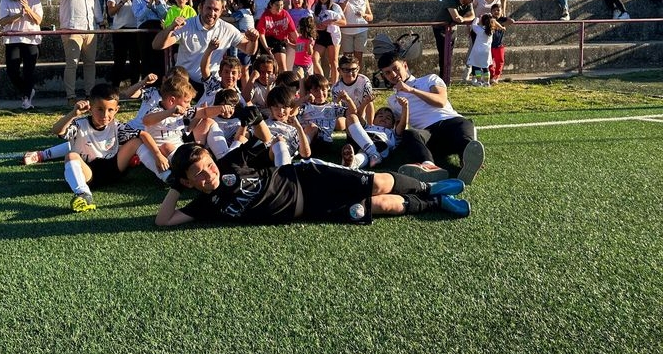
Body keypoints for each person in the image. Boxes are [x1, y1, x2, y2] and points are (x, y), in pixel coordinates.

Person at [155, 141, 472, 227]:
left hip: (307, 177)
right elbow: (164, 220)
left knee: (377, 183)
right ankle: (435, 202)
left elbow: (268, 142)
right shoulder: (204, 205)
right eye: (199, 174)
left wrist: (261, 131)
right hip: (314, 209)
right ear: (188, 181)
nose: (209, 174)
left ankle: (429, 187)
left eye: (209, 165)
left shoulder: (231, 166)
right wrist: (175, 187)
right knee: (381, 204)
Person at [377, 51, 485, 185]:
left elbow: (440, 101)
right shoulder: (393, 100)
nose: (393, 75)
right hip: (428, 134)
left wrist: (411, 90)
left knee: (463, 126)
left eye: (395, 69)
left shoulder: (429, 79)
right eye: (387, 73)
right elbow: (400, 129)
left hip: (450, 122)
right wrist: (404, 109)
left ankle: (468, 161)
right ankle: (428, 165)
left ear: (405, 66)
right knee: (409, 134)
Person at [53, 83, 162, 213]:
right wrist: (73, 114)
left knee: (136, 141)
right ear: (90, 108)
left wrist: (158, 155)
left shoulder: (116, 126)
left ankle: (167, 177)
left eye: (110, 110)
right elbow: (57, 130)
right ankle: (83, 193)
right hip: (89, 175)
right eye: (99, 109)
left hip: (113, 169)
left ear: (116, 110)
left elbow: (143, 134)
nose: (105, 115)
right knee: (70, 156)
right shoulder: (79, 125)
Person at [152, 0, 259, 96]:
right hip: (185, 82)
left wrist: (253, 40)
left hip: (211, 83)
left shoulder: (227, 29)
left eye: (216, 10)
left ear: (222, 11)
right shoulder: (187, 24)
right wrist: (170, 28)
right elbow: (157, 45)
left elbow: (249, 50)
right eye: (209, 8)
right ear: (201, 7)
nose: (212, 13)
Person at [54, 0, 102, 104]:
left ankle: (90, 95)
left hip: (90, 28)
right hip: (72, 28)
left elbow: (96, 5)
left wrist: (100, 22)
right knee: (72, 63)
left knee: (90, 63)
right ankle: (71, 96)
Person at [0, 0, 43, 109]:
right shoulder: (5, 1)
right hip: (13, 39)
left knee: (29, 71)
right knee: (12, 71)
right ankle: (27, 91)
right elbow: (2, 21)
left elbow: (38, 21)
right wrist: (19, 15)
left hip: (31, 39)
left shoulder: (35, 1)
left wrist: (28, 9)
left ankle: (26, 99)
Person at [432, 0, 477, 82]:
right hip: (440, 29)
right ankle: (443, 78)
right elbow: (456, 17)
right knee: (443, 53)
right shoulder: (452, 0)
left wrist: (462, 19)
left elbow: (472, 16)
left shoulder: (468, 4)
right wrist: (461, 19)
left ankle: (446, 77)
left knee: (449, 54)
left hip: (452, 29)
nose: (472, 1)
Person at [341, 104, 406, 170]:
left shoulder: (392, 132)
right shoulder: (368, 127)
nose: (383, 118)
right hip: (362, 142)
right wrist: (365, 103)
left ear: (392, 125)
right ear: (373, 120)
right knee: (351, 117)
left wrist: (405, 107)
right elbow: (359, 116)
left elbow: (403, 124)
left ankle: (357, 161)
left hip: (380, 144)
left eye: (388, 118)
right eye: (380, 116)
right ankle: (359, 160)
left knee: (364, 153)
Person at [106, 0, 140, 87]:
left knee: (135, 61)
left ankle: (135, 88)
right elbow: (110, 12)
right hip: (120, 31)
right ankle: (115, 88)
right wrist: (124, 1)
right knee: (119, 61)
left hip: (134, 30)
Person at [132, 0, 169, 79]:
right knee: (146, 58)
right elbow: (139, 16)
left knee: (159, 58)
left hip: (157, 28)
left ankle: (159, 85)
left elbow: (164, 15)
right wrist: (148, 5)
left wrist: (157, 1)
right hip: (144, 30)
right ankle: (148, 86)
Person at [256, 0, 297, 74]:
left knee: (282, 65)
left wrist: (300, 44)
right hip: (267, 41)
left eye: (281, 5)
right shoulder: (265, 15)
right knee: (269, 67)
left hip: (280, 41)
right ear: (271, 4)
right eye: (277, 5)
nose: (280, 8)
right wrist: (266, 47)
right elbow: (261, 34)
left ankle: (284, 83)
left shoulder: (285, 14)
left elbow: (293, 31)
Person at [313, 0, 345, 84]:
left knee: (333, 61)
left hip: (332, 35)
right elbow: (312, 21)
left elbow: (344, 22)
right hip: (321, 35)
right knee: (314, 58)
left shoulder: (335, 7)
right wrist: (317, 25)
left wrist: (331, 22)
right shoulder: (315, 7)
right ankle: (323, 82)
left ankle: (335, 85)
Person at [338, 0, 373, 68]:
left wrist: (364, 15)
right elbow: (339, 13)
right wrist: (347, 0)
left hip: (361, 30)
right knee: (347, 58)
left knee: (358, 58)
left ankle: (357, 78)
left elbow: (371, 17)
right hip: (347, 31)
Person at [332, 54, 374, 127]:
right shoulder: (336, 88)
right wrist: (338, 100)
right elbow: (336, 110)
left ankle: (371, 126)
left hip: (362, 113)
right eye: (346, 70)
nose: (350, 73)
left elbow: (368, 104)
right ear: (339, 70)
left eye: (353, 69)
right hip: (347, 116)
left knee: (369, 101)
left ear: (358, 69)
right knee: (338, 123)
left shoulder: (364, 82)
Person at [466, 13, 504, 87]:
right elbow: (493, 23)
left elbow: (474, 25)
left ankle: (479, 81)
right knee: (485, 68)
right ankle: (487, 82)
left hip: (477, 51)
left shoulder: (479, 30)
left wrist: (477, 17)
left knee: (477, 67)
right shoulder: (491, 31)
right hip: (486, 52)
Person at [488, 3, 514, 85]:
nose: (496, 12)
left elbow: (512, 21)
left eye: (498, 10)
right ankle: (491, 76)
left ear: (501, 11)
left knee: (500, 62)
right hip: (490, 45)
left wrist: (501, 25)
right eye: (494, 10)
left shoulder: (503, 19)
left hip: (499, 45)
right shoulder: (490, 19)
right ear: (491, 11)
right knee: (490, 62)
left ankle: (496, 76)